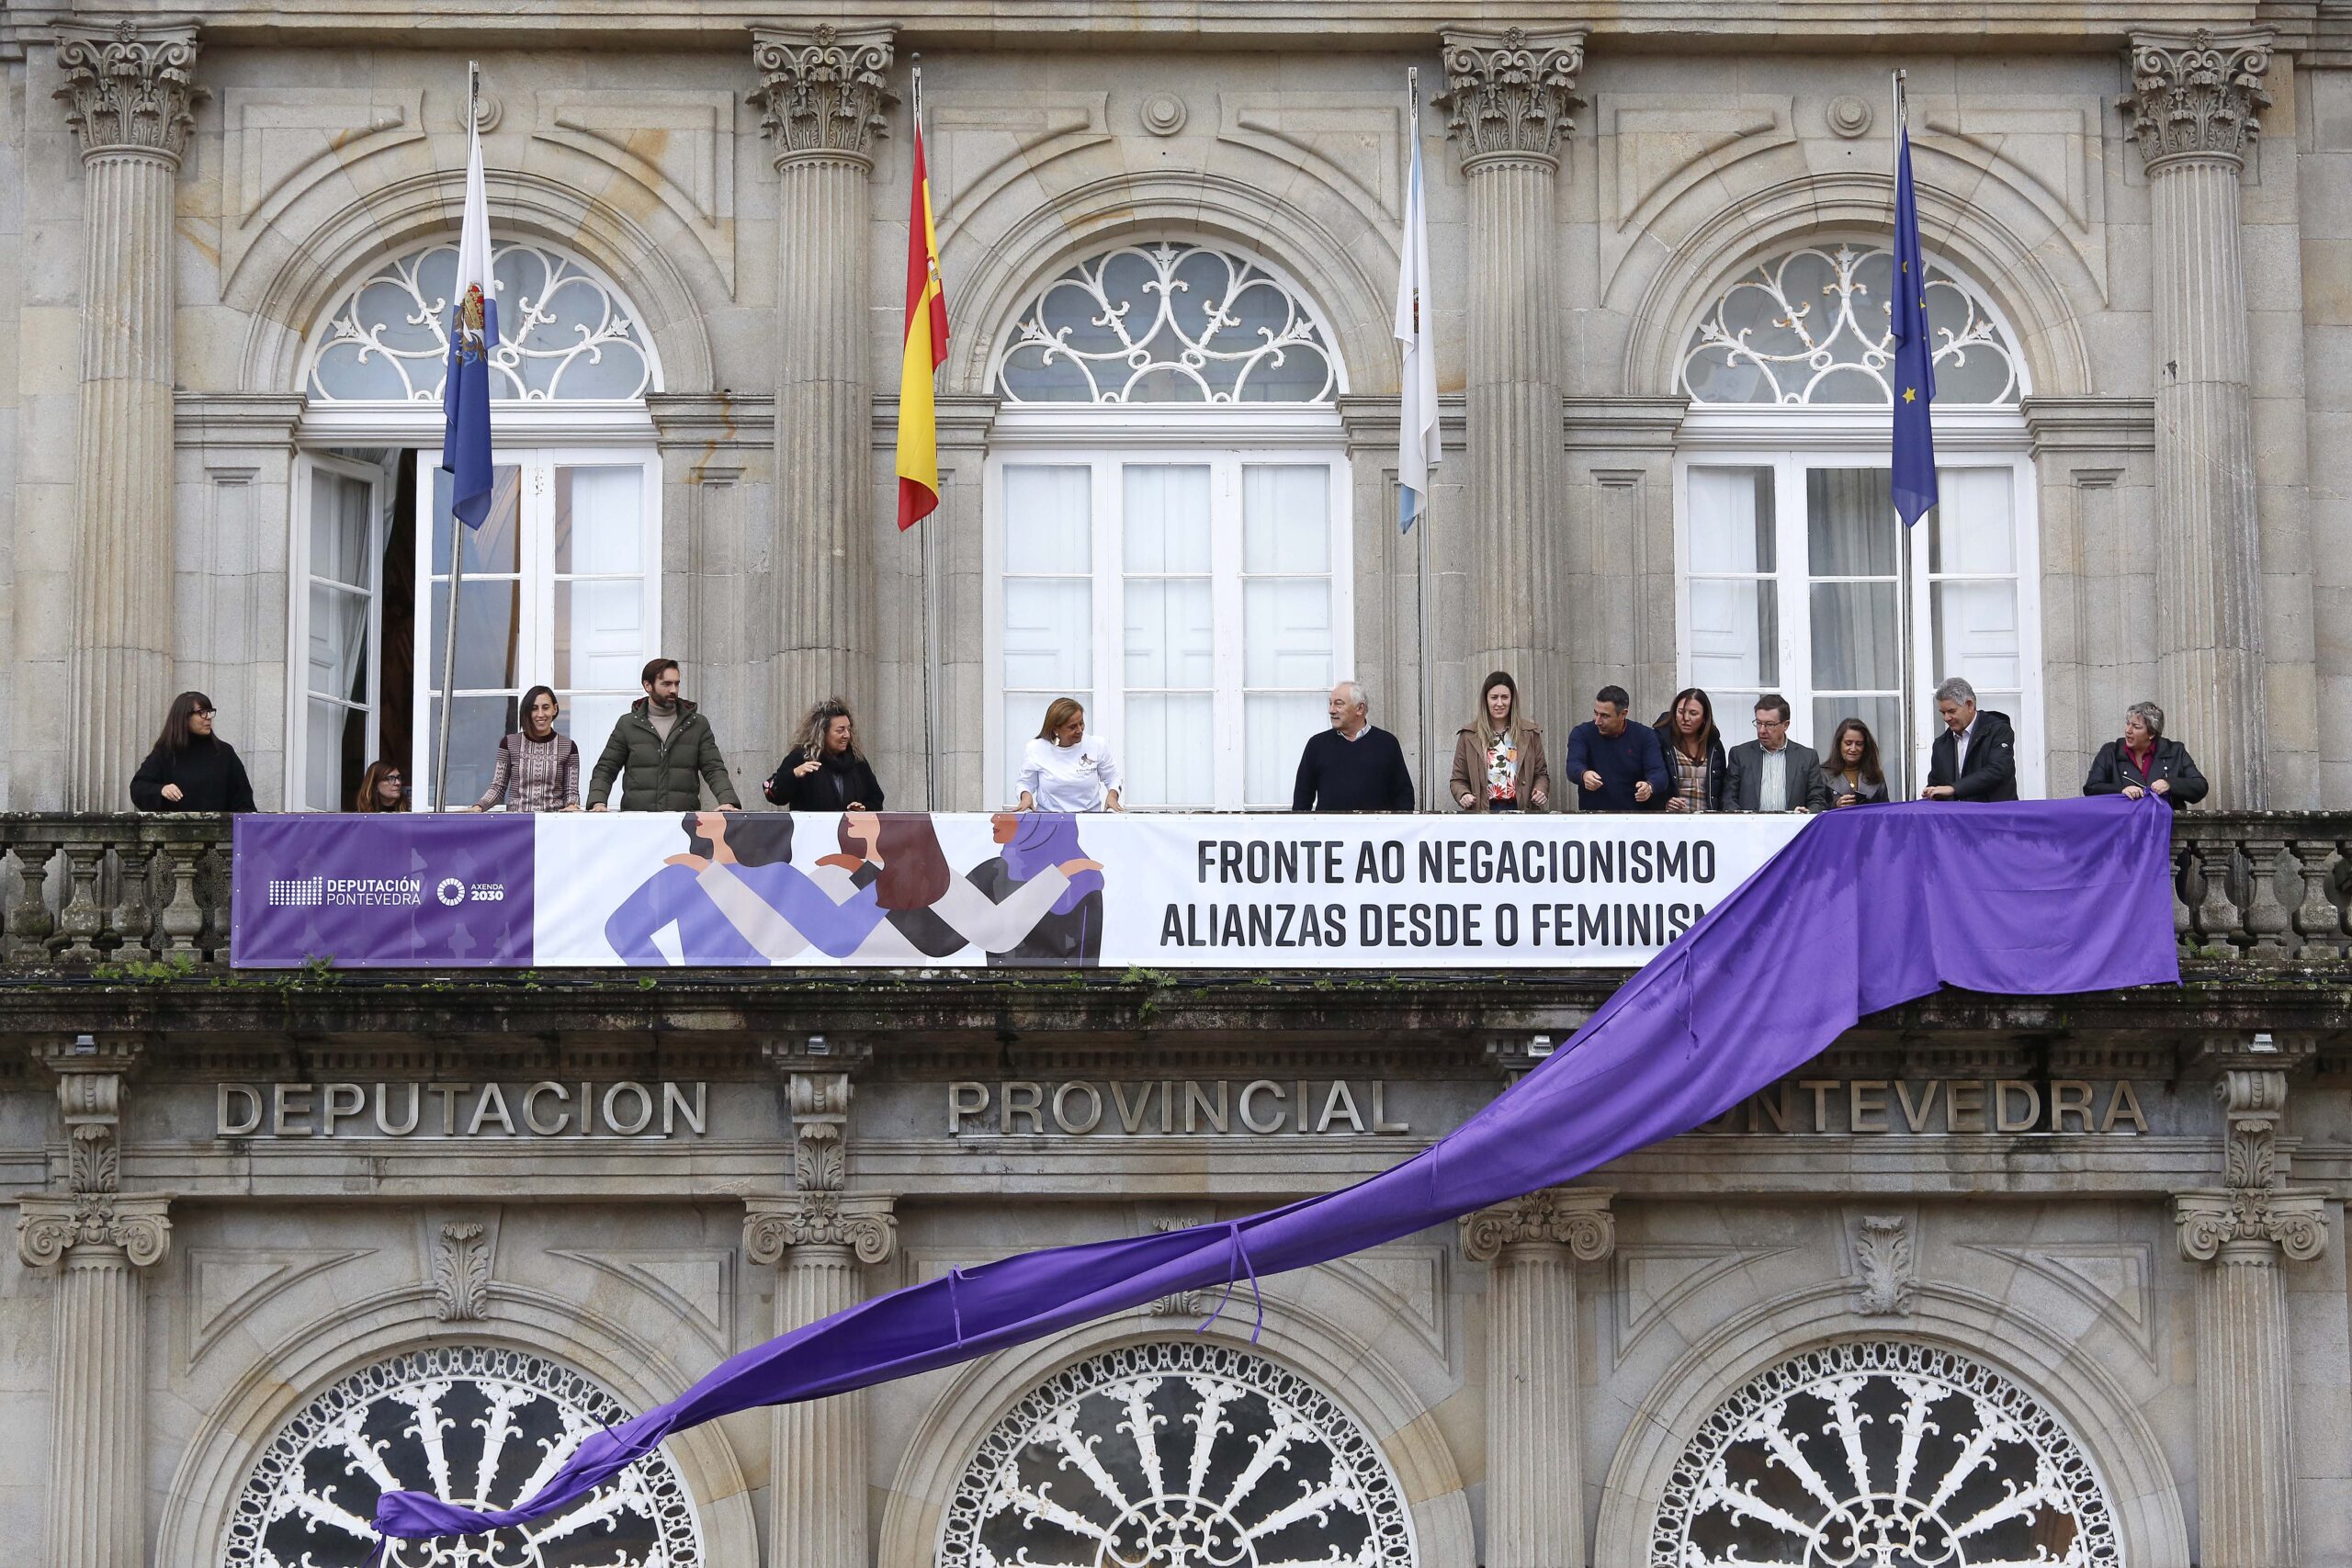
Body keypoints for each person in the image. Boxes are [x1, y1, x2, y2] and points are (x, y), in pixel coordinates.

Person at [804, 810, 1103, 962]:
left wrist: (1060, 875)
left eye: (866, 826)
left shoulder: (940, 876)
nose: (995, 817)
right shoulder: (859, 877)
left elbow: (993, 934)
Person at [605, 812, 883, 964]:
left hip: (760, 1001)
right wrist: (667, 982)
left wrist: (871, 875)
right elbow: (621, 929)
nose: (707, 811)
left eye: (722, 807)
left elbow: (837, 937)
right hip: (699, 996)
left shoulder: (777, 876)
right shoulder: (683, 873)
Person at [586, 658, 741, 813]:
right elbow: (606, 768)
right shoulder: (627, 725)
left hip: (684, 823)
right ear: (648, 686)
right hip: (636, 822)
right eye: (666, 684)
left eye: (677, 683)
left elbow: (714, 768)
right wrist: (598, 802)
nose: (673, 689)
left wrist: (728, 801)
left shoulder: (697, 724)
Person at [963, 812, 1106, 966]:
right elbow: (943, 938)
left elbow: (1087, 961)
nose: (993, 818)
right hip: (1000, 985)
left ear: (1037, 824)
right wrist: (1058, 877)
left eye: (1012, 812)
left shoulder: (1083, 878)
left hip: (1062, 985)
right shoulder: (994, 871)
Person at [1294, 681, 1416, 812]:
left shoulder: (1387, 743)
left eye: (1338, 704)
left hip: (1376, 831)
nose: (1331, 710)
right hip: (1329, 831)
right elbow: (1302, 798)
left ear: (1360, 708)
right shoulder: (1316, 745)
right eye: (1330, 703)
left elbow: (1404, 796)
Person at [130, 692, 257, 813]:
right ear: (184, 717)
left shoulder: (224, 752)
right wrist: (161, 790)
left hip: (220, 833)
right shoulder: (165, 753)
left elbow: (244, 801)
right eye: (201, 712)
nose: (208, 717)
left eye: (209, 712)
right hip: (174, 832)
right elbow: (138, 788)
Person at [466, 685, 581, 813]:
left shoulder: (568, 746)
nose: (540, 714)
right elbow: (498, 788)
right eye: (534, 709)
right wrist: (478, 807)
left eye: (546, 708)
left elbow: (571, 791)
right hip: (517, 822)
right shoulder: (509, 743)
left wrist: (572, 806)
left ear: (555, 709)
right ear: (527, 712)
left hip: (552, 823)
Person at [1450, 671, 1550, 812]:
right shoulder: (1468, 735)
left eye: (1505, 697)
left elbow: (1541, 774)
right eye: (1494, 697)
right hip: (1483, 810)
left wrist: (1540, 790)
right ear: (1485, 700)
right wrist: (1463, 794)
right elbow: (1457, 780)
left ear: (1512, 700)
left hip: (1521, 809)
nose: (1499, 703)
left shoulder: (1529, 733)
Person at [766, 697, 885, 812]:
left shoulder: (857, 761)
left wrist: (863, 809)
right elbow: (772, 793)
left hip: (847, 831)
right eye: (840, 730)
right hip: (811, 831)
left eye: (849, 729)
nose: (847, 735)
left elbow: (876, 799)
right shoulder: (802, 758)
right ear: (822, 732)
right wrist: (794, 774)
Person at [2083, 701, 2207, 810]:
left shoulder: (2175, 751)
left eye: (2136, 726)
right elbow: (2091, 788)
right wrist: (2121, 790)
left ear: (2151, 733)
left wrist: (2170, 784)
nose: (2128, 730)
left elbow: (2200, 786)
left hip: (2167, 829)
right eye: (2128, 723)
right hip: (2124, 828)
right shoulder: (2110, 751)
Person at [1564, 685, 1669, 813]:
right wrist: (1583, 774)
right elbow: (1573, 765)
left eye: (1605, 716)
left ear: (1623, 714)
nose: (1597, 721)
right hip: (1594, 816)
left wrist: (1649, 786)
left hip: (1635, 817)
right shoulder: (1581, 733)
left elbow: (1659, 773)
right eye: (1596, 713)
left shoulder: (1645, 736)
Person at [1724, 694, 1832, 813]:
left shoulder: (1807, 757)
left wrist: (1806, 813)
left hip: (1793, 829)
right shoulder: (1740, 755)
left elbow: (1817, 800)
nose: (1762, 730)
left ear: (1785, 725)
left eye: (1769, 724)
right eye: (1759, 723)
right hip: (1750, 829)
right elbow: (1729, 799)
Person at [1018, 698, 1123, 813]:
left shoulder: (1097, 745)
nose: (1079, 730)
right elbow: (1025, 783)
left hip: (1088, 820)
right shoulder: (1035, 748)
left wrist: (1113, 796)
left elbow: (1113, 778)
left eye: (1081, 723)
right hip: (1049, 820)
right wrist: (1026, 797)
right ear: (1055, 729)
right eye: (1072, 727)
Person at [1924, 676, 2018, 802]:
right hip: (1957, 819)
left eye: (1951, 711)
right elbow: (1936, 783)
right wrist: (1930, 791)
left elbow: (1997, 771)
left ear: (1970, 705)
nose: (1946, 718)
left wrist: (1953, 789)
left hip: (1995, 817)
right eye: (1943, 712)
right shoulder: (1941, 744)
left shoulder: (1998, 731)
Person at [1653, 687, 1728, 814]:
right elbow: (1650, 780)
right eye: (1681, 712)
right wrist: (1664, 803)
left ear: (1704, 717)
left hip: (1707, 822)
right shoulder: (1660, 741)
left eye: (1693, 713)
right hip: (1672, 822)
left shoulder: (1714, 745)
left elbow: (1721, 787)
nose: (1685, 718)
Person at [1820, 717, 1892, 807]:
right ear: (1839, 744)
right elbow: (1815, 811)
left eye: (1859, 744)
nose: (1853, 749)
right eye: (1848, 743)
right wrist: (1835, 806)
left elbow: (1885, 812)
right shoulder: (1823, 775)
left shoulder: (1875, 776)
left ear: (1865, 747)